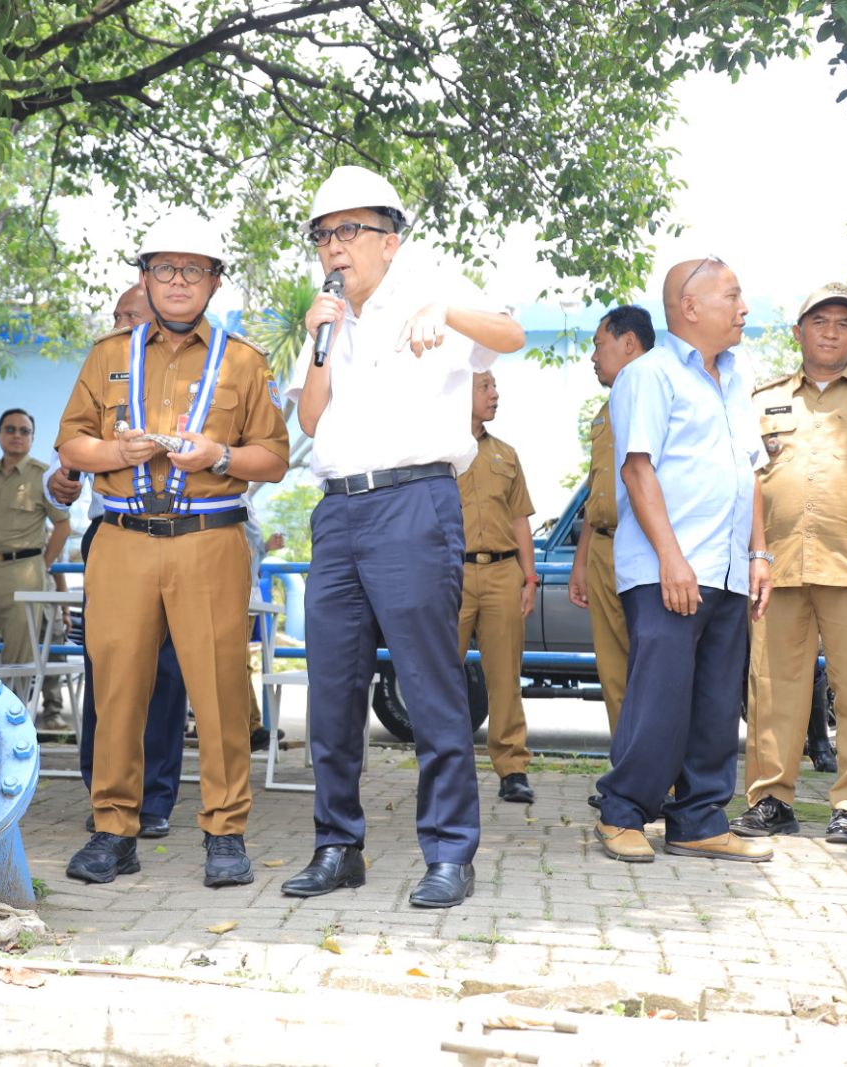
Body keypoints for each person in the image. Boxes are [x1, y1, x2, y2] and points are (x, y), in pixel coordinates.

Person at [281, 165, 525, 907]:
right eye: (324, 234)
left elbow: (511, 335)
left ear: (390, 240)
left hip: (414, 503)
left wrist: (446, 311)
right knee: (332, 687)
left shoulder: (432, 292)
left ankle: (449, 851)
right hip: (338, 512)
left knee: (428, 682)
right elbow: (310, 419)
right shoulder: (329, 319)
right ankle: (337, 846)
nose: (335, 246)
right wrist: (318, 340)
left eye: (349, 231)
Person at [56, 209, 288, 888]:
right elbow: (70, 443)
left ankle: (225, 831)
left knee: (218, 688)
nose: (179, 280)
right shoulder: (108, 355)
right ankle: (113, 829)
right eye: (165, 268)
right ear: (145, 277)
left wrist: (220, 455)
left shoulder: (244, 362)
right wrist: (113, 451)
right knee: (117, 687)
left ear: (215, 281)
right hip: (123, 540)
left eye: (194, 269)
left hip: (208, 539)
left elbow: (274, 458)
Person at [594, 257, 774, 865]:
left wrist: (758, 552)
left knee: (717, 703)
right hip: (669, 570)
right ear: (690, 307)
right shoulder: (649, 375)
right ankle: (622, 811)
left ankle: (698, 820)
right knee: (660, 700)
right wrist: (672, 560)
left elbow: (749, 471)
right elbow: (637, 469)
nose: (743, 308)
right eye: (733, 296)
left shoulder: (736, 377)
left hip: (726, 567)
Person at [731, 285, 847, 846]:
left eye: (843, 323)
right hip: (777, 564)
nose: (831, 331)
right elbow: (746, 479)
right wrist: (754, 553)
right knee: (771, 686)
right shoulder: (763, 400)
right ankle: (771, 800)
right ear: (798, 332)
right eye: (820, 321)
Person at [52, 286, 191, 838]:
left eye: (129, 315)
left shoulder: (201, 370)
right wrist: (62, 478)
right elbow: (73, 443)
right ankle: (105, 793)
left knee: (168, 671)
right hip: (112, 531)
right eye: (115, 315)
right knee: (107, 667)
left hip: (184, 534)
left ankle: (154, 799)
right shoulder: (106, 363)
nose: (118, 324)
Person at [567, 306, 654, 745]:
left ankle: (661, 771)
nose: (593, 357)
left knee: (652, 665)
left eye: (599, 345)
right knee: (612, 668)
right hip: (603, 546)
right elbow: (596, 488)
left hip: (648, 545)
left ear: (629, 343)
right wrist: (581, 561)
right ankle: (627, 767)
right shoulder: (607, 408)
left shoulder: (660, 396)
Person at [0, 409, 71, 727]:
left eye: (24, 430)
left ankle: (13, 725)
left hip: (25, 570)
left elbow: (62, 526)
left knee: (19, 655)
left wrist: (42, 565)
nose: (17, 435)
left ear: (32, 437)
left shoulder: (43, 475)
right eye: (10, 429)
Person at [456, 370, 539, 803]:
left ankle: (512, 769)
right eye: (484, 387)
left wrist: (530, 577)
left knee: (505, 675)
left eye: (494, 386)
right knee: (441, 674)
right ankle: (447, 768)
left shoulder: (506, 454)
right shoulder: (437, 452)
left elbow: (520, 519)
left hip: (503, 572)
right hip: (451, 574)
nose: (495, 394)